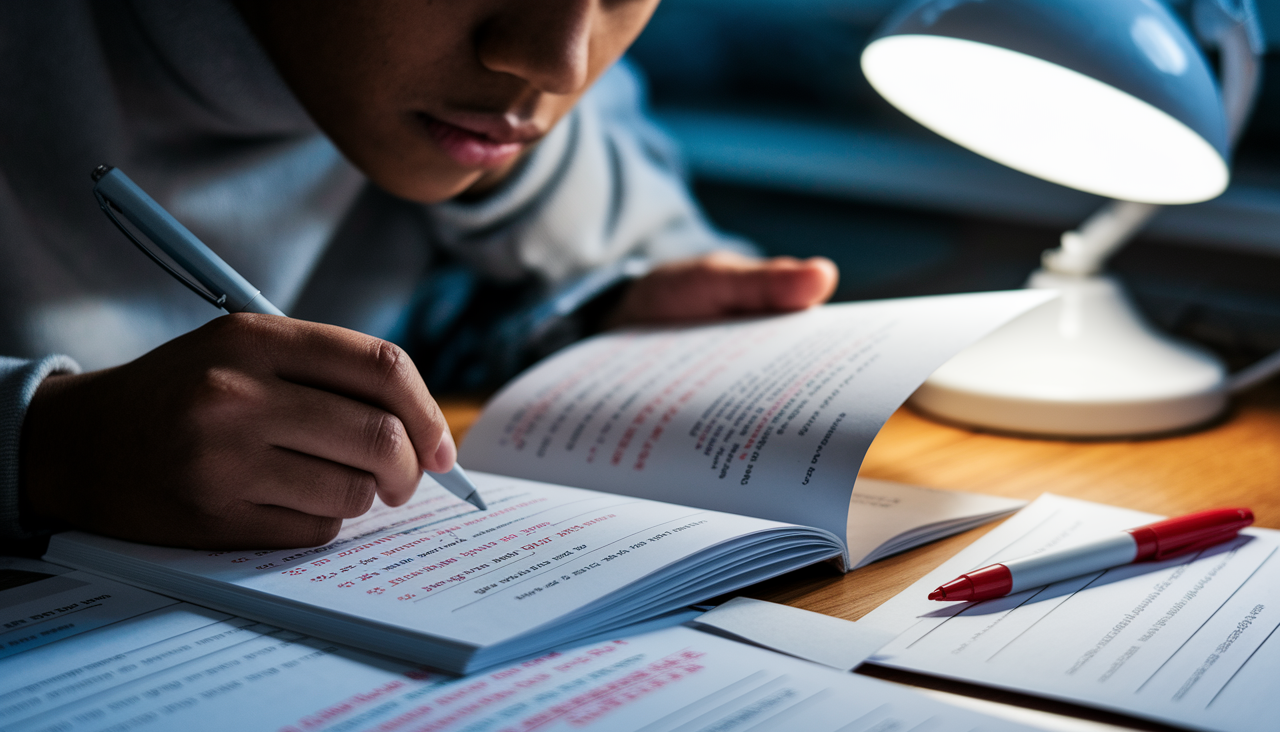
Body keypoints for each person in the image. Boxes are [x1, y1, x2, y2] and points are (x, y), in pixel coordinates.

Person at [1, 0, 837, 551]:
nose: (557, 62)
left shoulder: (507, 51)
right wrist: (45, 443)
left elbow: (641, 237)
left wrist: (593, 312)